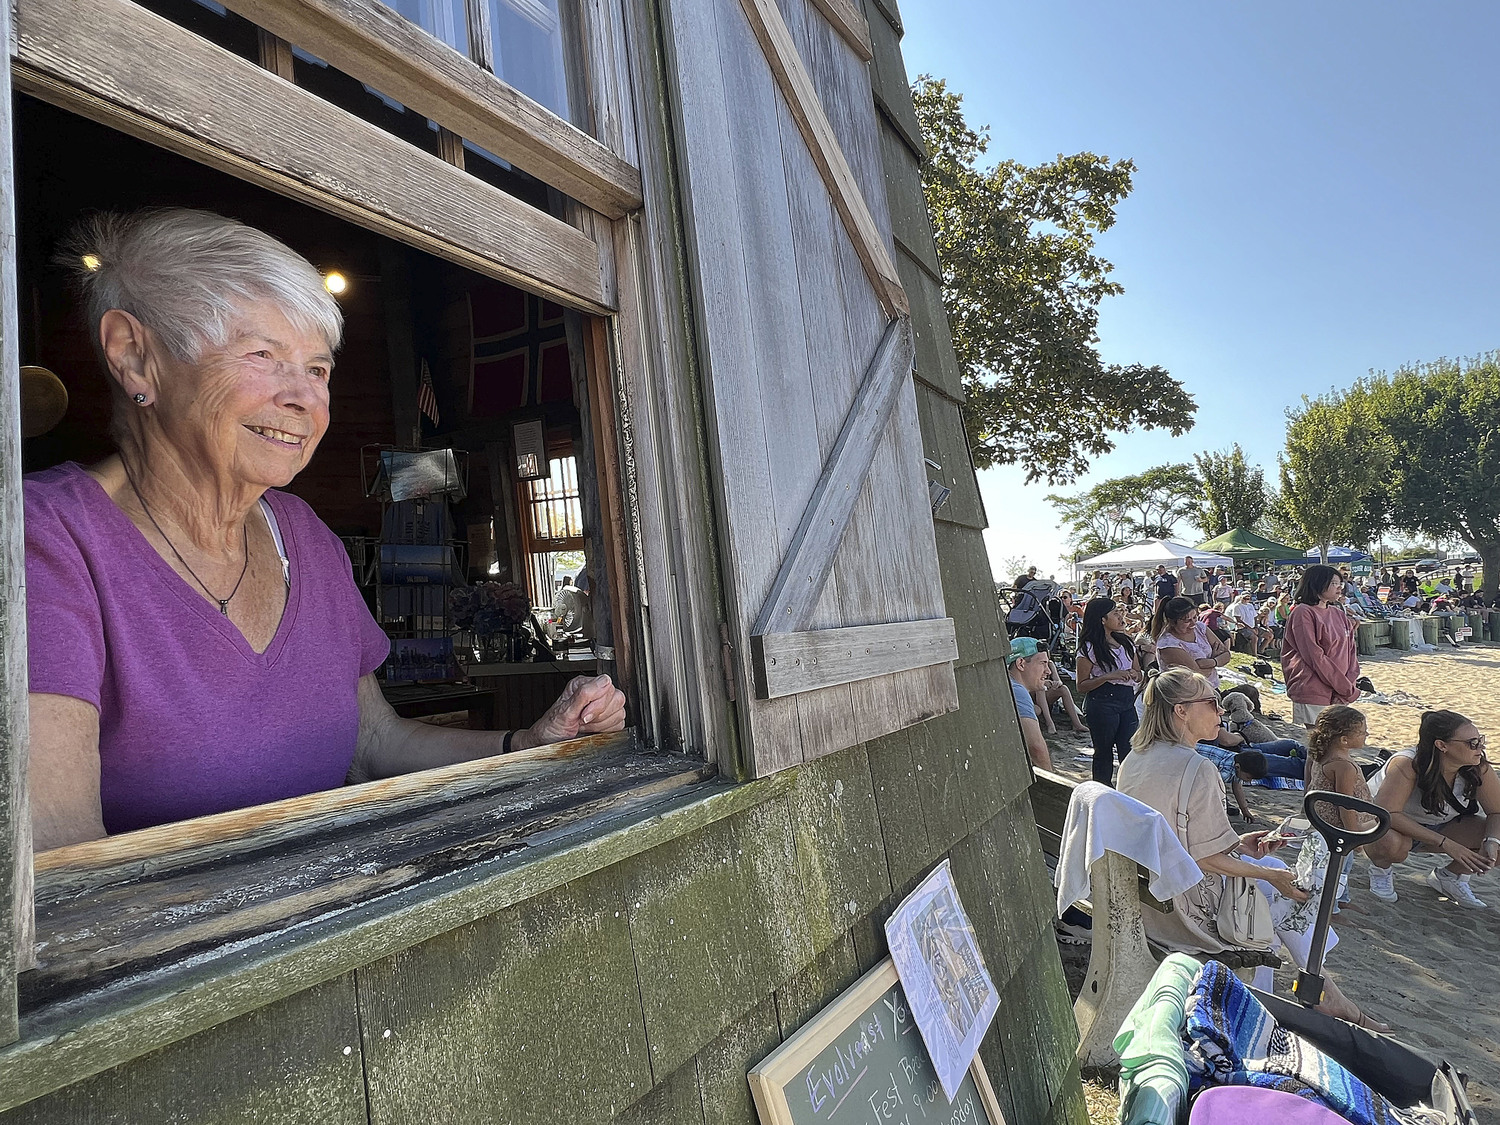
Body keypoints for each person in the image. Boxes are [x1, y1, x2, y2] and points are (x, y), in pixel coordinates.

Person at [24, 210, 626, 849]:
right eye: (264, 355)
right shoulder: (47, 541)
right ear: (136, 357)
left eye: (317, 369)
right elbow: (59, 860)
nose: (306, 400)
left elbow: (371, 744)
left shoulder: (303, 537)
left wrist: (527, 745)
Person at [1117, 669, 1383, 1028]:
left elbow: (1181, 841)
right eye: (1212, 703)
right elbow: (1203, 857)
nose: (1221, 711)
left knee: (1273, 877)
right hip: (1187, 914)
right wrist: (1270, 875)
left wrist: (1241, 845)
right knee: (1290, 889)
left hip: (1147, 898)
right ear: (1181, 711)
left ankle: (1315, 994)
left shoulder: (1136, 758)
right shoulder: (1197, 768)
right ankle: (1308, 999)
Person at [1365, 710, 1500, 908]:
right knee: (1391, 844)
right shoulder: (1408, 764)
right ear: (1441, 745)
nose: (1480, 748)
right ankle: (1380, 871)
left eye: (1480, 740)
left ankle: (1450, 877)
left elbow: (1496, 812)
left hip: (1441, 825)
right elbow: (1388, 814)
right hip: (1387, 825)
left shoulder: (1478, 767)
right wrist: (1446, 843)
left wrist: (1491, 840)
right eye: (1472, 743)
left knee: (1497, 840)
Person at [1305, 706, 1378, 910]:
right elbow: (1346, 804)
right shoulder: (1343, 765)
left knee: (1344, 866)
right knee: (1338, 869)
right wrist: (1354, 836)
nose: (1366, 735)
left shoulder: (1321, 754)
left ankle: (1342, 900)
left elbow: (1309, 778)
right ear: (1344, 739)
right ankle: (1331, 908)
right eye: (1362, 732)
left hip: (1325, 824)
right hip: (1340, 829)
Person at [1280, 564, 1359, 730]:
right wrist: (1343, 687)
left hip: (1341, 689)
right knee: (1320, 745)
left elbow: (1351, 652)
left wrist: (1347, 685)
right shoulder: (1303, 612)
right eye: (1334, 584)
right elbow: (1314, 656)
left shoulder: (1338, 613)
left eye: (1341, 584)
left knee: (1337, 743)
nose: (1339, 588)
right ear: (1318, 584)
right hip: (1313, 688)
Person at [1074, 598, 1141, 785]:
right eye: (1115, 613)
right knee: (1103, 751)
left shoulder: (1126, 642)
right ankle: (1103, 791)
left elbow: (1139, 673)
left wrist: (1134, 674)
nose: (1121, 617)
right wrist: (1108, 676)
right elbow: (1081, 685)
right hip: (1102, 702)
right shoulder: (1089, 648)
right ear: (1102, 619)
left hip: (1126, 701)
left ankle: (1129, 788)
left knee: (1128, 750)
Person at [1151, 596, 1230, 690]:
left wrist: (1212, 661)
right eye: (1187, 620)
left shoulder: (1200, 627)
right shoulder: (1168, 644)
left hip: (1211, 688)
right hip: (1186, 694)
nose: (1193, 624)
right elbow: (1196, 675)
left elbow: (1226, 654)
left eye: (1194, 617)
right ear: (1171, 622)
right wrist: (1216, 660)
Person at [1006, 638, 1053, 770]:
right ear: (1021, 663)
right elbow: (1036, 748)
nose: (1048, 671)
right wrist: (1051, 784)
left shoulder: (1005, 684)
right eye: (1043, 663)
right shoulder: (1017, 691)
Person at [1033, 650, 1087, 736]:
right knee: (1040, 688)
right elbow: (1031, 682)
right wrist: (1043, 682)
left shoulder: (1050, 664)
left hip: (1046, 696)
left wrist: (1056, 683)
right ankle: (1049, 723)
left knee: (1063, 689)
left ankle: (1077, 724)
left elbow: (1058, 680)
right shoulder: (1033, 665)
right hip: (1033, 696)